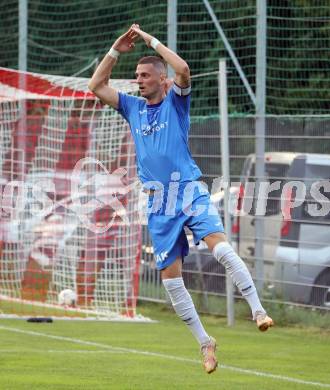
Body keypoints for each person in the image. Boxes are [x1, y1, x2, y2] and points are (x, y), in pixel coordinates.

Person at [88, 24, 273, 374]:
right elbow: (95, 86)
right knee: (172, 281)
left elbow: (184, 70)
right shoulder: (131, 107)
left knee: (220, 248)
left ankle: (258, 310)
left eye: (144, 75)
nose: (138, 80)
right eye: (137, 75)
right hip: (159, 203)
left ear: (161, 78)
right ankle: (206, 343)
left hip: (187, 189)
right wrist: (115, 49)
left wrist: (149, 40)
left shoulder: (176, 100)